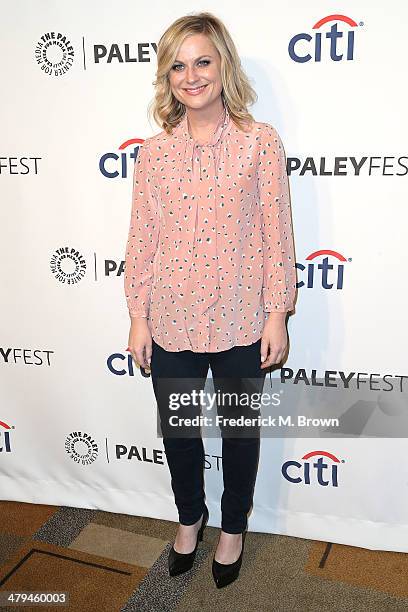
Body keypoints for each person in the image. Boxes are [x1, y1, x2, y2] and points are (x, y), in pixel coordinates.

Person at [124, 12, 297, 588]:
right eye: (178, 64)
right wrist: (137, 318)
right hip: (170, 320)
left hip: (242, 319)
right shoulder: (153, 153)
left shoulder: (259, 143)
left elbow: (278, 234)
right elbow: (141, 241)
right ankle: (189, 517)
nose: (191, 75)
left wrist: (277, 314)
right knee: (179, 431)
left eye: (203, 61)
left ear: (224, 65)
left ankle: (232, 527)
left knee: (239, 431)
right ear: (166, 76)